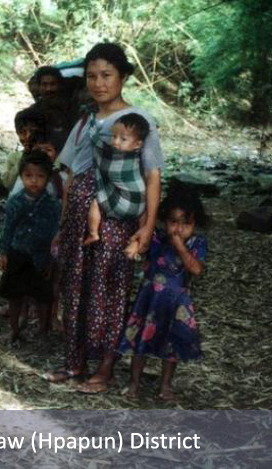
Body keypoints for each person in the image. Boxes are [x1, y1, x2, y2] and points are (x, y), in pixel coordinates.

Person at [45, 42, 164, 394]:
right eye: (92, 76)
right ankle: (75, 363)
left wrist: (147, 226)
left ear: (122, 77)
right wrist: (63, 224)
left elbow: (152, 176)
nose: (98, 83)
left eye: (107, 75)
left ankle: (105, 370)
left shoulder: (138, 121)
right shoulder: (85, 121)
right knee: (75, 288)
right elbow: (70, 175)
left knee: (108, 290)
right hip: (79, 218)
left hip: (114, 219)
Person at [117, 187, 209, 401]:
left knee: (172, 345)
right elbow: (139, 247)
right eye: (173, 222)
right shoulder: (157, 239)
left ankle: (165, 386)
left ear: (195, 224)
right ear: (164, 221)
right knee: (141, 342)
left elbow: (196, 269)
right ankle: (134, 383)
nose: (178, 229)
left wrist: (180, 247)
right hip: (150, 301)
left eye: (186, 223)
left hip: (177, 304)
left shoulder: (197, 243)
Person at [0, 150, 61, 345]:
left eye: (40, 176)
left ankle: (42, 331)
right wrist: (3, 252)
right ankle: (14, 329)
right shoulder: (15, 202)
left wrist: (51, 259)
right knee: (15, 295)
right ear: (21, 176)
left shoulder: (52, 205)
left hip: (41, 256)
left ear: (48, 178)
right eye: (28, 176)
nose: (34, 181)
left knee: (42, 296)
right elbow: (8, 228)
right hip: (18, 254)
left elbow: (54, 233)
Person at [84, 113, 150, 248]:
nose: (115, 142)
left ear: (138, 144)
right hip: (140, 206)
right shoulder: (136, 157)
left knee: (96, 201)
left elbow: (98, 148)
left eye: (123, 139)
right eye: (114, 136)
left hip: (125, 205)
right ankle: (136, 242)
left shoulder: (116, 158)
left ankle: (93, 233)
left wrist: (91, 123)